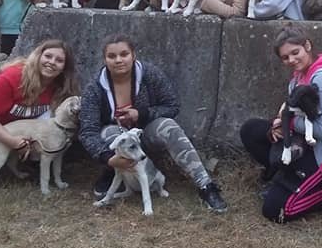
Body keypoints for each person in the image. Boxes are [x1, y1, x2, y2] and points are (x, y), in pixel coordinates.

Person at [78, 34, 228, 212]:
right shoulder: (94, 88)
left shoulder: (149, 74)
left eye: (124, 54)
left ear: (133, 55)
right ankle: (113, 170)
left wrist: (140, 113)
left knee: (168, 126)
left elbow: (172, 105)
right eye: (112, 56)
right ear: (104, 59)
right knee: (110, 132)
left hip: (145, 133)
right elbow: (88, 130)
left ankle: (206, 185)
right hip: (114, 140)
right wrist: (107, 157)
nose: (118, 60)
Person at [239, 26, 322, 222]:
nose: (291, 60)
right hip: (304, 143)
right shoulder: (296, 79)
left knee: (274, 211)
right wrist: (278, 128)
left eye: (295, 53)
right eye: (285, 57)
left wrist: (289, 123)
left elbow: (320, 129)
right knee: (252, 129)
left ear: (307, 46)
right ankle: (282, 176)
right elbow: (294, 115)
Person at [0, 39, 79, 179]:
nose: (51, 62)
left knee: (54, 124)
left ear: (64, 67)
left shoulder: (61, 86)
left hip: (27, 126)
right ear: (38, 56)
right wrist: (12, 141)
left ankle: (31, 162)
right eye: (48, 56)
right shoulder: (12, 77)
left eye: (59, 60)